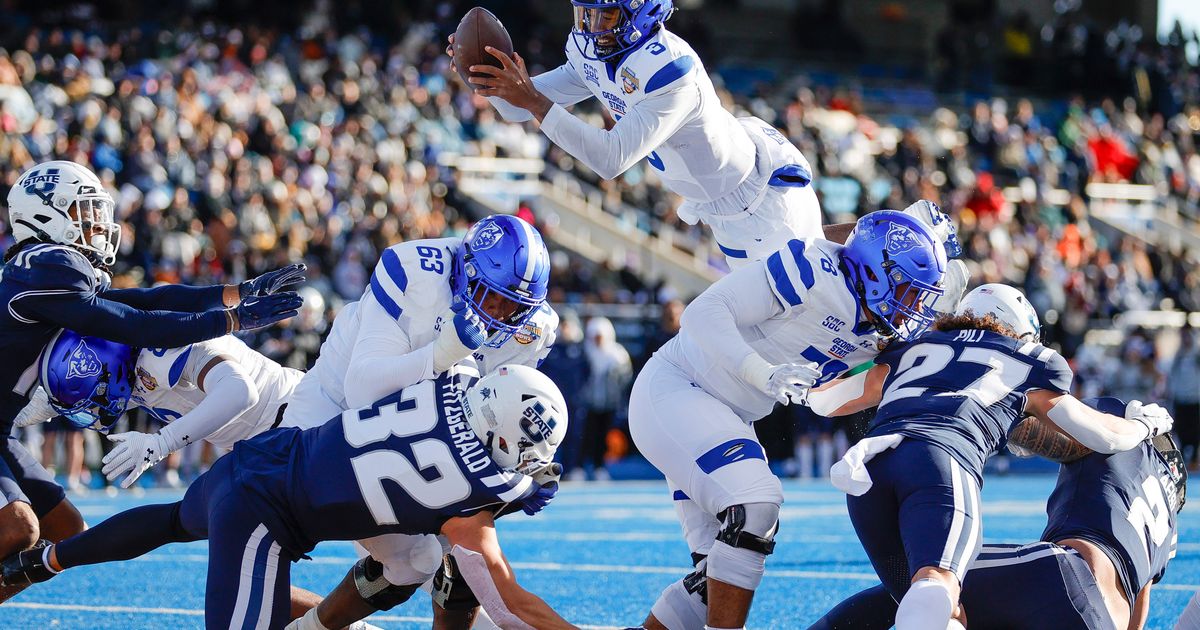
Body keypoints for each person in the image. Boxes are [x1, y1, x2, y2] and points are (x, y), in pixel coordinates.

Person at [2, 365, 575, 630]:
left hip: (263, 454)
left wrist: (516, 486)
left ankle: (41, 561)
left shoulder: (445, 382)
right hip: (262, 518)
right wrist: (515, 488)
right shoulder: (471, 491)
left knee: (172, 520)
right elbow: (510, 606)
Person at [629, 210, 948, 630]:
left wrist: (877, 389)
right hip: (678, 388)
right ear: (877, 271)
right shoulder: (812, 269)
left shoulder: (874, 330)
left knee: (718, 580)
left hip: (728, 415)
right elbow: (704, 312)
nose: (913, 306)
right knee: (756, 505)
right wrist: (763, 371)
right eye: (908, 290)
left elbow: (821, 401)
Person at [0, 160, 303, 601]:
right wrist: (230, 320)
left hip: (2, 427)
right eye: (84, 213)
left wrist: (236, 292)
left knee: (66, 530)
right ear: (48, 214)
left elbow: (148, 299)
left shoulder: (47, 269)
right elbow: (134, 324)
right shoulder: (46, 263)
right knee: (19, 528)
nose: (98, 224)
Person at [806, 284, 1175, 630]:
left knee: (929, 604)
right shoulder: (1027, 359)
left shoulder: (913, 348)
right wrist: (1143, 425)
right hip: (939, 461)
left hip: (866, 470)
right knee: (937, 587)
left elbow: (825, 401)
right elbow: (1104, 436)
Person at [278, 214, 559, 623]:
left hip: (413, 430)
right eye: (490, 296)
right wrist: (440, 355)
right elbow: (363, 388)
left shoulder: (534, 327)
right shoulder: (417, 271)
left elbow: (492, 412)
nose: (498, 313)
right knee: (269, 530)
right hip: (329, 411)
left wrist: (518, 470)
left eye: (512, 305)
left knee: (419, 561)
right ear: (466, 271)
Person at [451, 0, 827, 267]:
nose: (589, 29)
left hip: (759, 201)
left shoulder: (670, 71)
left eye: (604, 17)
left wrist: (534, 102)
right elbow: (519, 106)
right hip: (721, 205)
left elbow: (610, 159)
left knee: (801, 312)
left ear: (640, 13)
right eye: (584, 15)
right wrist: (484, 79)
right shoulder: (595, 53)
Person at [809, 398, 1186, 630]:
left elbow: (1056, 434)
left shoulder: (1121, 425)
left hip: (1064, 575)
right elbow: (1139, 612)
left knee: (928, 584)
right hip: (1100, 621)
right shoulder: (1167, 526)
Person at [15, 326, 304, 489]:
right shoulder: (124, 366)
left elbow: (239, 392)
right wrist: (54, 402)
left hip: (300, 419)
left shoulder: (163, 347)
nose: (95, 410)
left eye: (95, 396)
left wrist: (162, 442)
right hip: (263, 448)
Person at [539, 309, 592, 479]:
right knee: (546, 437)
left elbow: (586, 373)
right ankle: (544, 469)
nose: (565, 328)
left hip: (574, 401)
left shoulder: (580, 350)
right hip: (551, 401)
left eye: (568, 324)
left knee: (574, 436)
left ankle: (572, 468)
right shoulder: (550, 348)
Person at [582, 316, 632, 480]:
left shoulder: (618, 354)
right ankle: (580, 467)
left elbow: (625, 377)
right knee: (585, 435)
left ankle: (599, 467)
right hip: (587, 402)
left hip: (609, 403)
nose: (598, 340)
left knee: (603, 435)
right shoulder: (585, 352)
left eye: (601, 336)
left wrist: (616, 395)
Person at [1168, 324, 1200, 469]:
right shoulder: (1178, 356)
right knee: (1181, 429)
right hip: (1180, 399)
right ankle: (1182, 457)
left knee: (1195, 429)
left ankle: (1193, 457)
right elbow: (1172, 377)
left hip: (1195, 399)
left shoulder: (1197, 356)